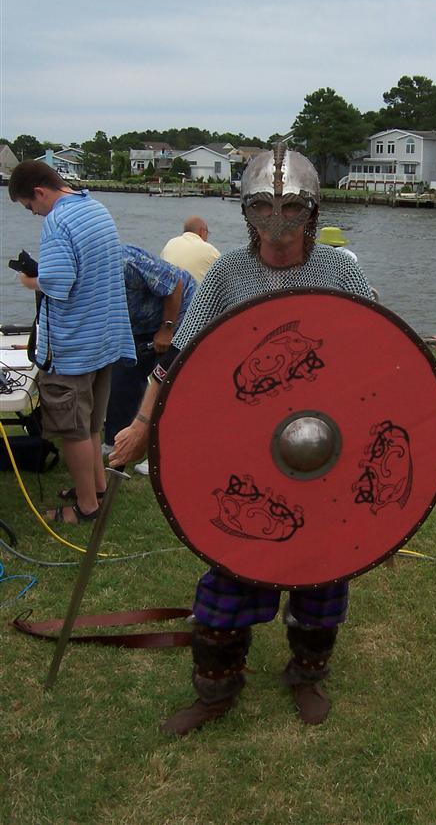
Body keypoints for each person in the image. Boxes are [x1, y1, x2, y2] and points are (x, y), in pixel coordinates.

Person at [110, 146, 374, 735]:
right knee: (230, 567)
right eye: (262, 205)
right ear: (244, 210)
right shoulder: (228, 274)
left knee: (324, 569)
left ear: (312, 210)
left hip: (320, 446)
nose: (277, 220)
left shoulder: (340, 271)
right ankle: (217, 690)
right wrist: (144, 425)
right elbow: (176, 358)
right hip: (244, 449)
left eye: (290, 207)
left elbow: (377, 352)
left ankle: (306, 674)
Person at [8, 161, 135, 524]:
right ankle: (94, 487)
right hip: (102, 339)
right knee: (92, 424)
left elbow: (59, 284)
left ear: (39, 192)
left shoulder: (57, 222)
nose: (34, 214)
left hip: (73, 345)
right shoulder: (95, 208)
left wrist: (31, 281)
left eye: (30, 206)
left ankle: (86, 508)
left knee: (73, 431)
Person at [103, 245, 196, 474]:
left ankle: (161, 450)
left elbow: (175, 285)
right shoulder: (87, 272)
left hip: (181, 314)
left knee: (169, 386)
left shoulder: (125, 263)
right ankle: (117, 440)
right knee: (123, 377)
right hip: (141, 325)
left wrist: (166, 330)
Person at [160, 215, 221, 283]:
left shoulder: (170, 243)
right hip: (193, 292)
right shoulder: (210, 250)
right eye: (207, 233)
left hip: (165, 290)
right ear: (202, 231)